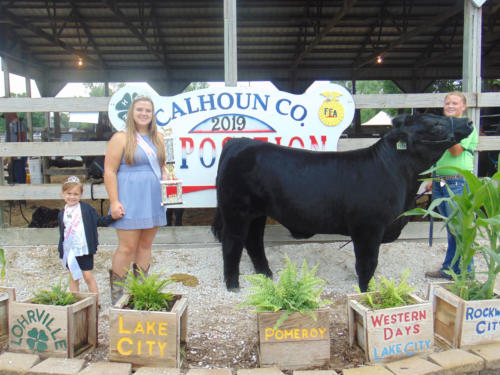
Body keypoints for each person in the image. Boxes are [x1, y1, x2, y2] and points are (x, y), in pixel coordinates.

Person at [104, 95, 167, 304]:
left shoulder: (159, 138)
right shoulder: (120, 138)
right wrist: (114, 201)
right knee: (127, 247)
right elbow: (109, 171)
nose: (143, 114)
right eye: (139, 109)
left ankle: (141, 293)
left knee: (145, 246)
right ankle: (117, 295)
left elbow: (164, 165)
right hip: (129, 198)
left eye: (148, 111)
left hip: (153, 197)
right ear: (131, 112)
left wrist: (168, 177)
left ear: (153, 114)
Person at [425, 91, 479, 279]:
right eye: (447, 102)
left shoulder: (467, 127)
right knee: (451, 229)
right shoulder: (445, 127)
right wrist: (432, 179)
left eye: (455, 103)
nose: (449, 106)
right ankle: (449, 269)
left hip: (458, 182)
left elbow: (455, 151)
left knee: (461, 230)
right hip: (441, 182)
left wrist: (444, 131)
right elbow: (437, 155)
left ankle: (467, 274)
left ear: (463, 107)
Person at [58, 176, 114, 305]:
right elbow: (63, 233)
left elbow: (98, 221)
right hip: (71, 251)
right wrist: (61, 250)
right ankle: (75, 302)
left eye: (76, 194)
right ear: (63, 194)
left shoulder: (86, 209)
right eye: (69, 193)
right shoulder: (62, 213)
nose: (72, 197)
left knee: (88, 276)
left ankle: (96, 303)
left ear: (81, 195)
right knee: (73, 277)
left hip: (84, 249)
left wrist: (113, 217)